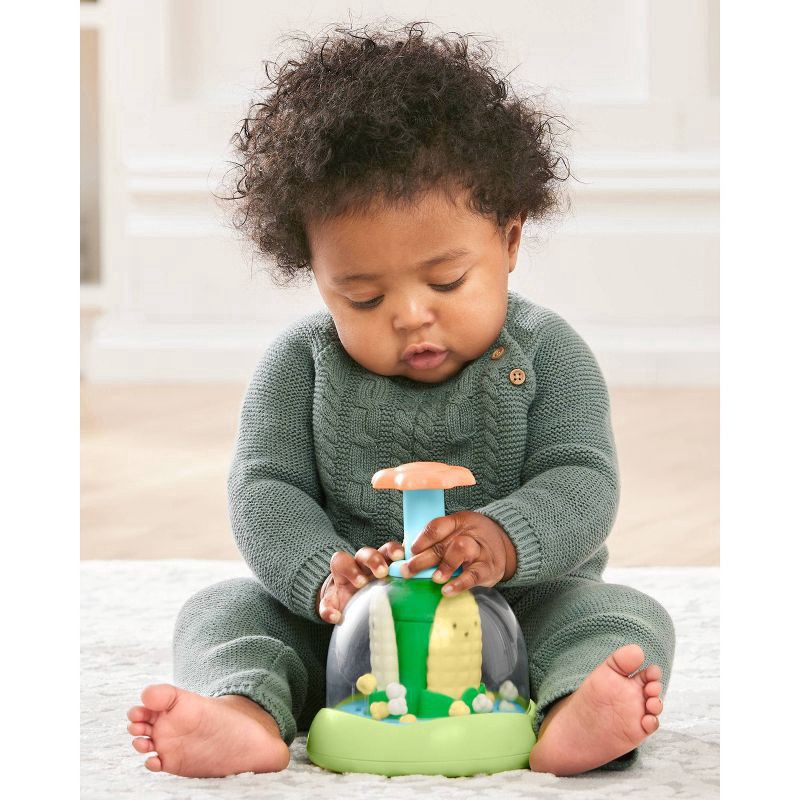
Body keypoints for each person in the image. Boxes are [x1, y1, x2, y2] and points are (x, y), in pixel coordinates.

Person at [126, 21, 674, 778]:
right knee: (221, 611)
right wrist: (324, 576)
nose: (411, 315)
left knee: (623, 619)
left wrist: (503, 540)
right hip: (346, 636)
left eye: (446, 281)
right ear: (316, 275)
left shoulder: (548, 355)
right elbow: (265, 489)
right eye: (363, 296)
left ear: (510, 241)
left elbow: (581, 479)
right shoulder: (299, 366)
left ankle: (574, 708)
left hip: (517, 615)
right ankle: (245, 713)